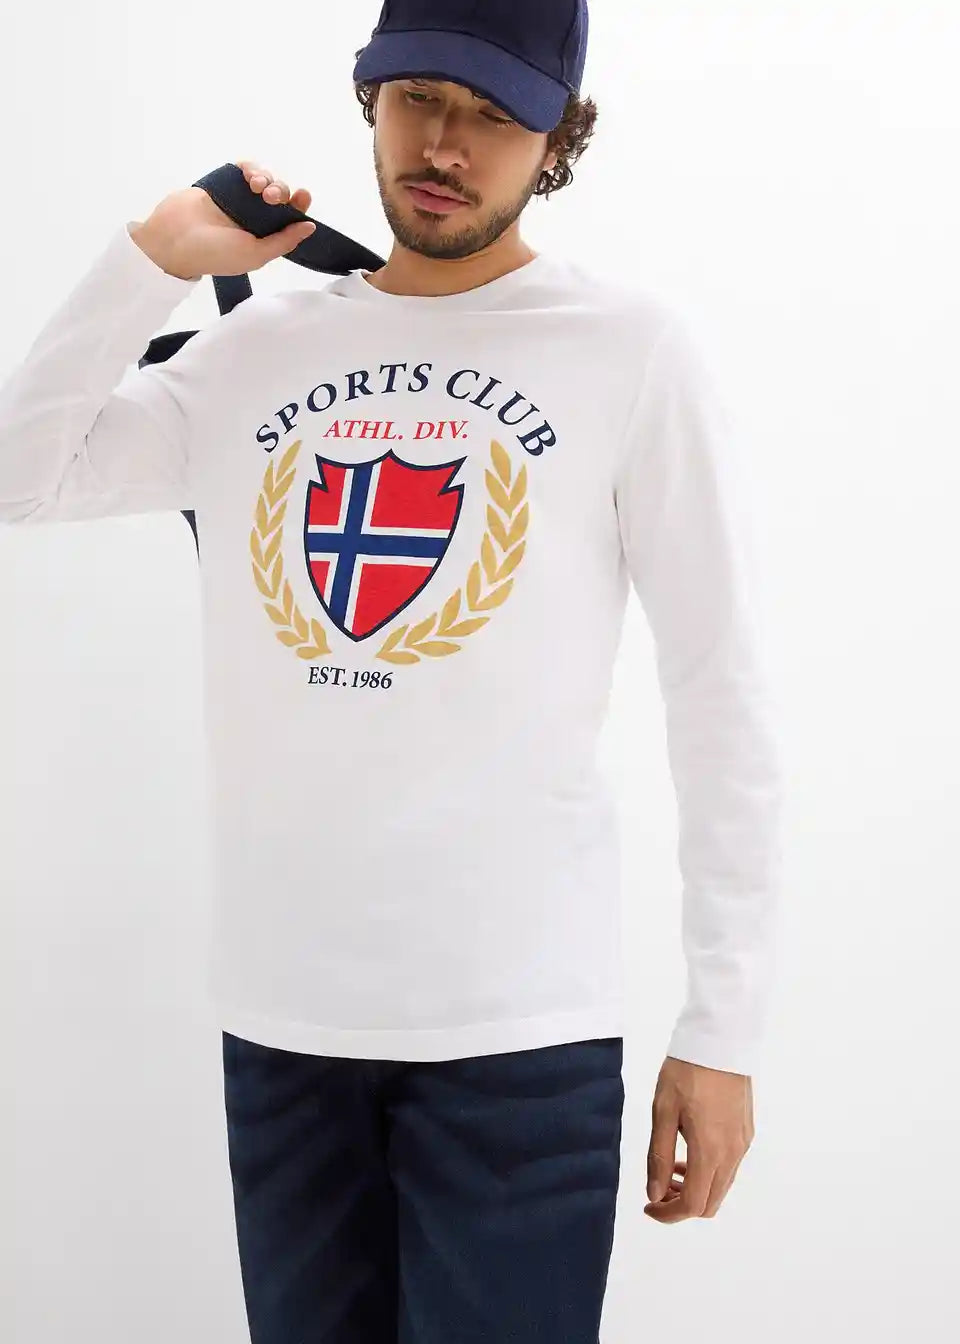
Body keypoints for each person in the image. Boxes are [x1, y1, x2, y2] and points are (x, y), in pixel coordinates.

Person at [0, 1, 784, 1340]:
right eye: (420, 96)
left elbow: (723, 697)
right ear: (371, 99)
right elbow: (22, 479)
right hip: (284, 1028)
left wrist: (724, 1029)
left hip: (521, 1036)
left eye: (494, 115)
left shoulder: (628, 351)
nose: (446, 145)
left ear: (558, 141)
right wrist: (155, 261)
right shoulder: (252, 351)